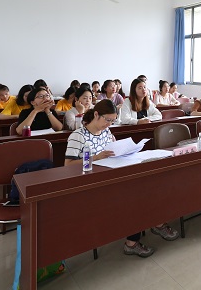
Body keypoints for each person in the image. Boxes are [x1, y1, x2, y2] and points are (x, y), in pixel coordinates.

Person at [64, 100, 179, 256]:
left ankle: (156, 223)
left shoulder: (106, 132)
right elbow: (68, 165)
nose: (109, 124)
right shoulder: (78, 136)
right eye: (107, 120)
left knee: (149, 187)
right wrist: (95, 158)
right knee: (133, 197)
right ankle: (132, 243)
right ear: (96, 114)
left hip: (111, 176)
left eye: (112, 121)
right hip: (90, 183)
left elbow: (114, 151)